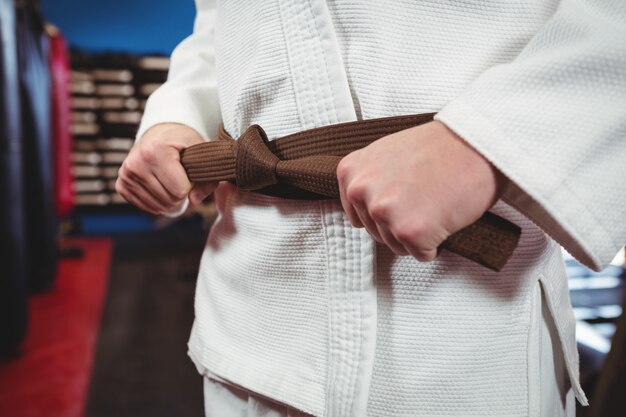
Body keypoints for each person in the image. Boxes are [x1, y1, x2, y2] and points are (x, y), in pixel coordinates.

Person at [116, 0, 626, 416]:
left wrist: (492, 142)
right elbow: (221, 24)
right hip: (248, 322)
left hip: (463, 334)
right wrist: (180, 114)